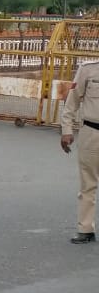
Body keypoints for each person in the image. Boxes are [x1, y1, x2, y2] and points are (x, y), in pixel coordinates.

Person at [60, 57, 99, 244]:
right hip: (91, 133)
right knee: (88, 183)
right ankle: (85, 228)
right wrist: (66, 130)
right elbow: (72, 101)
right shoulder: (88, 70)